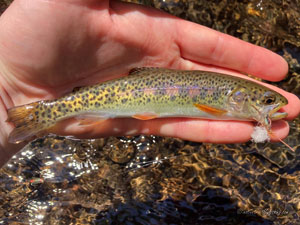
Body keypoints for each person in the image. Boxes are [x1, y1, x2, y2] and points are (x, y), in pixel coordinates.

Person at [0, 0, 299, 167]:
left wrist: (6, 87)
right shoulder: (220, 105)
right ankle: (43, 113)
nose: (272, 106)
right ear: (240, 97)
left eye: (267, 102)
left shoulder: (228, 101)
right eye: (267, 101)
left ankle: (34, 113)